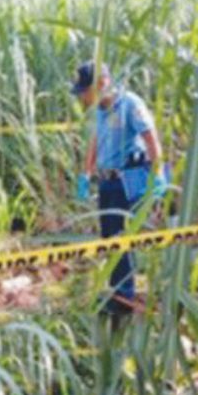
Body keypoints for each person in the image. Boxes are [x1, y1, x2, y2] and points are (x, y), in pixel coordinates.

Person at [71, 60, 166, 315]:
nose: (81, 97)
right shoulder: (98, 111)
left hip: (130, 178)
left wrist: (157, 177)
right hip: (107, 181)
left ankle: (125, 297)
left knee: (125, 238)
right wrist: (86, 174)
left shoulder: (130, 105)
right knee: (109, 239)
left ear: (101, 84)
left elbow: (151, 138)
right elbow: (94, 142)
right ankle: (119, 292)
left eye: (84, 91)